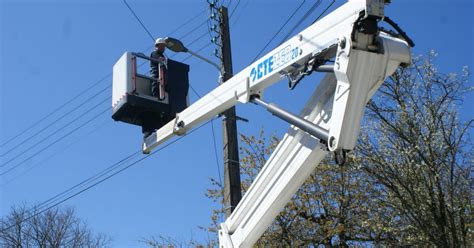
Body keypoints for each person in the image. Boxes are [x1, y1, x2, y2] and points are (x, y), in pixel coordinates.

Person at [142, 38, 168, 140]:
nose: (164, 48)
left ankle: (157, 124)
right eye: (162, 46)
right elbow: (159, 61)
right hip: (156, 78)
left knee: (158, 105)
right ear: (157, 46)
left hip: (161, 80)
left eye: (164, 46)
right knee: (155, 97)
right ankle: (149, 130)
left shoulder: (162, 55)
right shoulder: (154, 54)